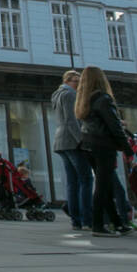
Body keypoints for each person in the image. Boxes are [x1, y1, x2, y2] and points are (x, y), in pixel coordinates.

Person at [75, 67, 134, 237]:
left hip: (88, 144)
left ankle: (117, 223)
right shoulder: (103, 98)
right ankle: (98, 224)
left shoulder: (84, 100)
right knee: (102, 186)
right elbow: (114, 125)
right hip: (103, 145)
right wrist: (127, 148)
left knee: (105, 185)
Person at [51, 69, 90, 231]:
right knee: (85, 179)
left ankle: (76, 219)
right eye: (76, 81)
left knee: (72, 182)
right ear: (67, 81)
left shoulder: (56, 94)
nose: (79, 85)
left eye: (80, 82)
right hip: (71, 141)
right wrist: (81, 141)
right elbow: (71, 120)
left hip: (61, 141)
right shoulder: (69, 95)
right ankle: (86, 218)